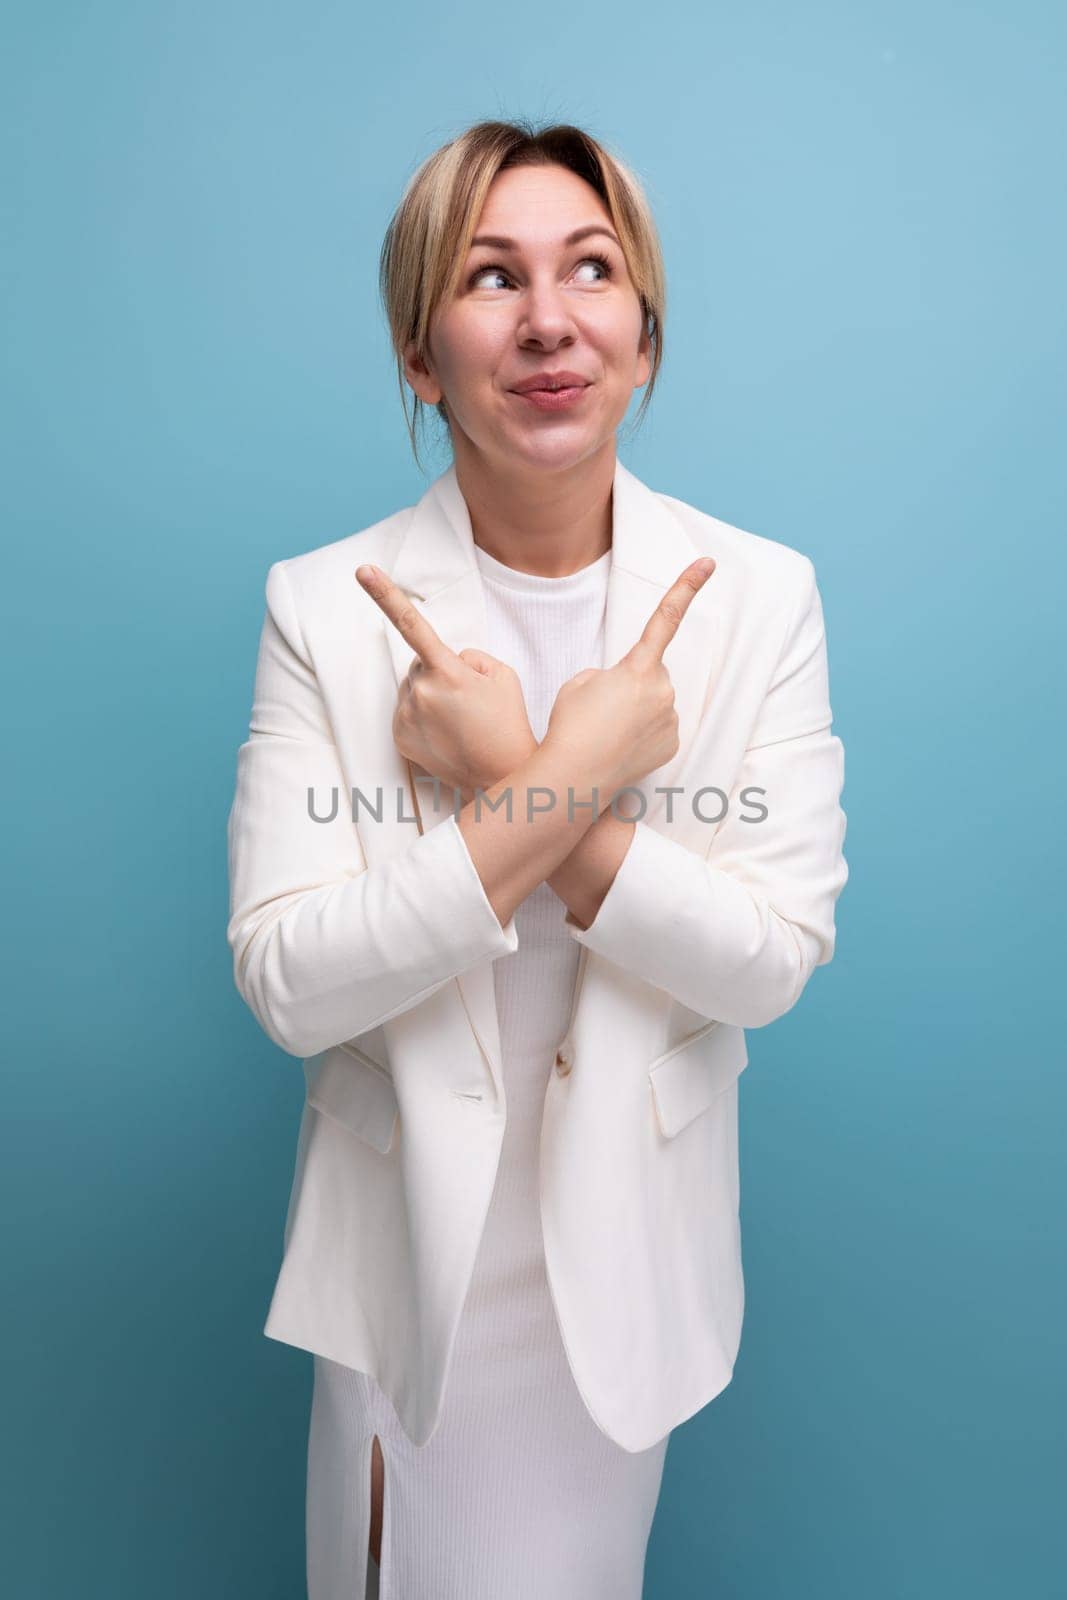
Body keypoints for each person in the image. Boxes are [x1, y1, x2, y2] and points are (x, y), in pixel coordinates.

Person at [226, 117, 849, 1600]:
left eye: (589, 270)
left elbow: (769, 961)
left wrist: (511, 780)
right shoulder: (323, 608)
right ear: (421, 355)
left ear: (642, 337)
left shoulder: (762, 600)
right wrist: (562, 781)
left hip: (621, 1269)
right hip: (408, 1278)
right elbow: (289, 982)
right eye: (491, 278)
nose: (548, 317)